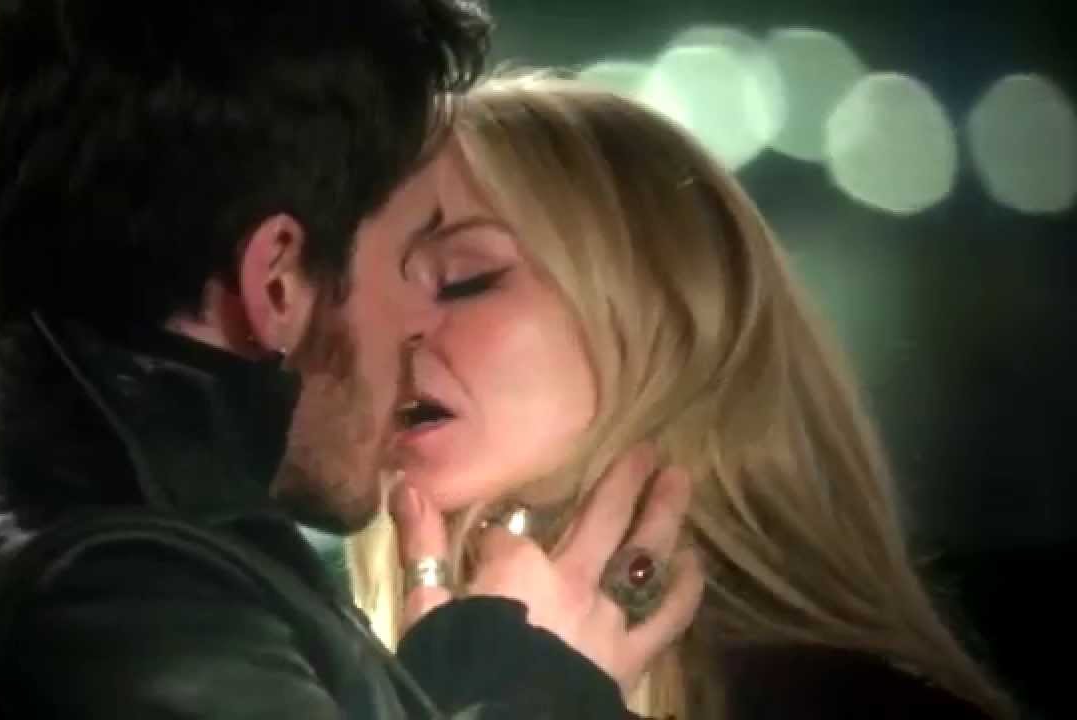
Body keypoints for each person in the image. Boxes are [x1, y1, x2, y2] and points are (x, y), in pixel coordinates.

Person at [0, 6, 704, 719]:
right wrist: (521, 686)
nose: (423, 322)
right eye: (412, 262)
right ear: (276, 282)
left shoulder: (21, 515)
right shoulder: (126, 602)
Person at [348, 73, 1019, 720]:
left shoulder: (859, 704)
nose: (392, 326)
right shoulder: (326, 677)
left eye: (463, 278)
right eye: (367, 293)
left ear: (668, 313)